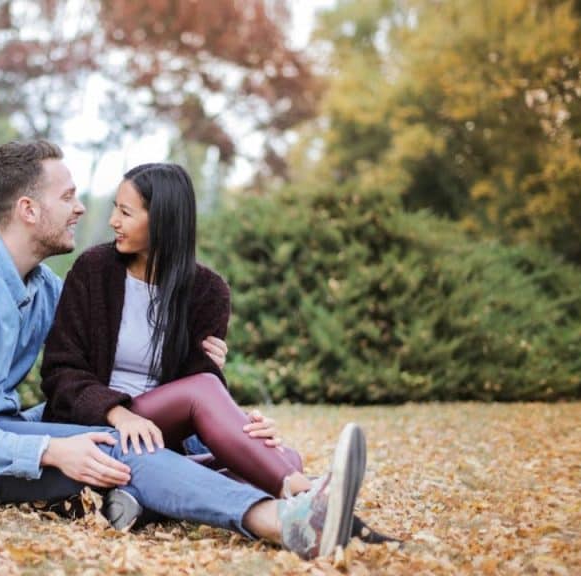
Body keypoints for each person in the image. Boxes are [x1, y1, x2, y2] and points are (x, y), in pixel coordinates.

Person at [0, 140, 368, 560]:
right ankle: (282, 520)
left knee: (125, 444)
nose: (82, 209)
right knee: (117, 445)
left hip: (7, 426)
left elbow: (92, 350)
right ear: (28, 209)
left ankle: (284, 487)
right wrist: (50, 451)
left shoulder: (43, 288)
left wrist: (221, 398)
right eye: (67, 197)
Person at [40, 163, 389, 541]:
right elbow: (61, 371)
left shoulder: (207, 291)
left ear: (164, 220)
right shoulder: (94, 270)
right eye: (115, 208)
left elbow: (200, 387)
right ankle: (306, 494)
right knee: (247, 436)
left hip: (161, 437)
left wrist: (245, 429)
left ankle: (138, 501)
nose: (112, 221)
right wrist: (119, 413)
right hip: (97, 424)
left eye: (125, 212)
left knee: (279, 454)